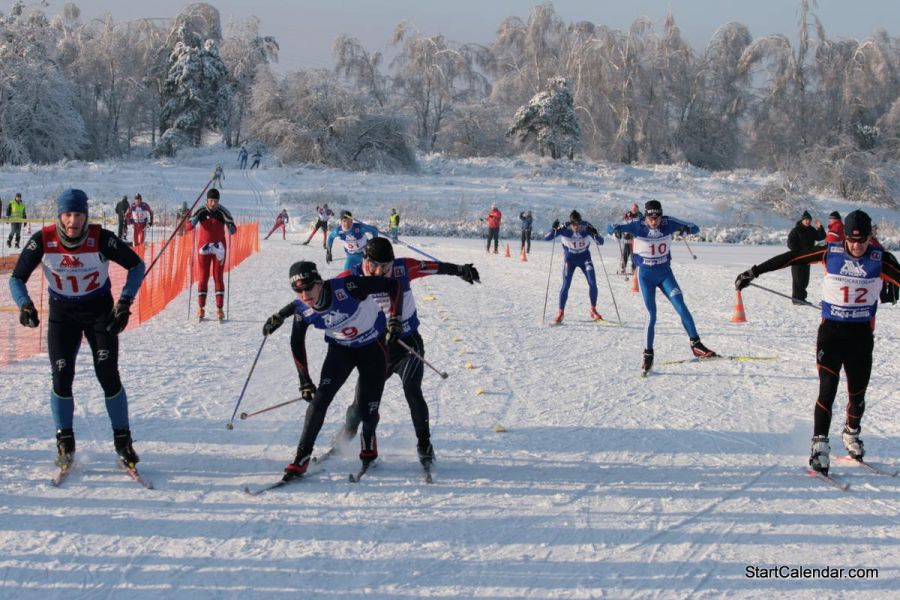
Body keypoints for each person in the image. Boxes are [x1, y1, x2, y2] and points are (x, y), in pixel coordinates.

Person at [734, 210, 900, 475]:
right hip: (831, 334)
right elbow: (792, 257)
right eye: (852, 240)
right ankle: (819, 445)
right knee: (828, 388)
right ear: (845, 236)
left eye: (862, 240)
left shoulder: (881, 260)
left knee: (857, 396)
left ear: (871, 237)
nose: (856, 246)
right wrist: (754, 271)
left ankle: (851, 432)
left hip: (860, 337)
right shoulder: (829, 252)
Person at [8, 189, 146, 470]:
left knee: (107, 374)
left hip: (99, 312)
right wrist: (25, 305)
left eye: (78, 214)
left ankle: (123, 441)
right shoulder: (43, 240)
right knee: (61, 376)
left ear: (86, 215)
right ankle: (65, 441)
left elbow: (137, 265)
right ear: (60, 215)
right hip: (63, 314)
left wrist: (124, 303)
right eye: (68, 214)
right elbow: (16, 278)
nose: (73, 221)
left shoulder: (102, 238)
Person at [333, 238, 481, 469]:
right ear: (365, 260)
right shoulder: (351, 277)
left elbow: (435, 267)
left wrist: (460, 270)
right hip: (376, 348)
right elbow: (322, 294)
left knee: (413, 390)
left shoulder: (403, 268)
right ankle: (345, 438)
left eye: (386, 266)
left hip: (408, 344)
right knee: (361, 404)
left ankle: (424, 445)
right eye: (375, 265)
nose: (380, 271)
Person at [260, 261, 403, 481]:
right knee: (320, 400)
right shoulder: (302, 309)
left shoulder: (347, 287)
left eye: (308, 287)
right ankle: (302, 456)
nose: (305, 294)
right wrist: (304, 380)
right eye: (298, 290)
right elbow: (296, 342)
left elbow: (393, 285)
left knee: (368, 407)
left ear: (319, 282)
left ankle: (368, 441)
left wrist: (395, 319)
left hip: (373, 347)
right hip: (341, 350)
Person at [608, 200, 716, 374]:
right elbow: (611, 226)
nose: (654, 221)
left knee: (681, 306)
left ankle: (696, 345)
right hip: (645, 276)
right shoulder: (637, 224)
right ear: (646, 216)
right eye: (650, 217)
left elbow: (695, 227)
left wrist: (686, 229)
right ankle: (648, 353)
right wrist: (614, 232)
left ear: (661, 215)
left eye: (657, 217)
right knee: (651, 314)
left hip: (665, 274)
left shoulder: (668, 222)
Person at [544, 210, 606, 325]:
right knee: (566, 285)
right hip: (570, 260)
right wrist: (553, 229)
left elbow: (601, 242)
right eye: (574, 224)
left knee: (593, 283)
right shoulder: (564, 229)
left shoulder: (586, 227)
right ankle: (561, 312)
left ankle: (593, 310)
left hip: (585, 259)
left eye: (578, 224)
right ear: (571, 223)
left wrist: (596, 233)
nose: (576, 227)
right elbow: (547, 238)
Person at [185, 188, 236, 321]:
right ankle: (201, 308)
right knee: (203, 276)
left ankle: (219, 309)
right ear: (207, 200)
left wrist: (231, 228)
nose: (213, 203)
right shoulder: (201, 211)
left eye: (215, 201)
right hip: (204, 248)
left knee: (218, 276)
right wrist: (192, 223)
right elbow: (188, 227)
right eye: (211, 200)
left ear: (218, 201)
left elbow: (233, 227)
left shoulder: (223, 211)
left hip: (219, 248)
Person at [786, 210, 825, 304]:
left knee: (805, 279)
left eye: (809, 220)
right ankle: (796, 299)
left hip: (808, 258)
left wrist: (820, 227)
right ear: (802, 220)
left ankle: (802, 299)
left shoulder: (811, 230)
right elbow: (790, 243)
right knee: (797, 279)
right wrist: (797, 252)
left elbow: (821, 237)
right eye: (806, 220)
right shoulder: (796, 230)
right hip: (797, 258)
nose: (808, 221)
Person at [615, 203, 642, 274]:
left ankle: (634, 269)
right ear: (631, 209)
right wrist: (621, 233)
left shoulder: (640, 216)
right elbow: (623, 224)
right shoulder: (627, 215)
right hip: (627, 238)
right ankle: (622, 268)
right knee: (625, 254)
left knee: (634, 255)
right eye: (633, 209)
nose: (634, 210)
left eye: (636, 209)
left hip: (636, 239)